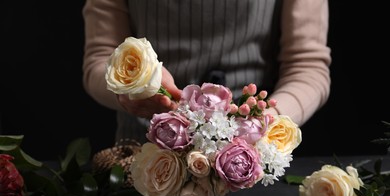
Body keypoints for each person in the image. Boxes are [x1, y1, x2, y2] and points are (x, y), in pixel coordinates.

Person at [82, 0, 331, 144]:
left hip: (250, 163)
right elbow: (99, 59)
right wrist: (133, 90)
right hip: (141, 157)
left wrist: (264, 121)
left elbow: (307, 65)